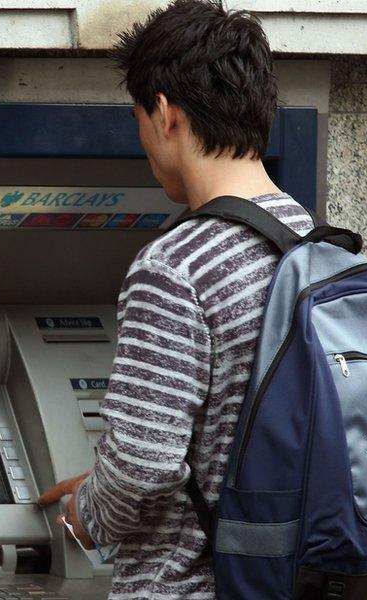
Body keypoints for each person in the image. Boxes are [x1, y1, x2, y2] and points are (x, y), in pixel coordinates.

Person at [37, 1, 314, 596]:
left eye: (138, 116)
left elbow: (141, 465)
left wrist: (81, 517)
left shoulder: (177, 267)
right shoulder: (320, 248)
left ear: (164, 113)